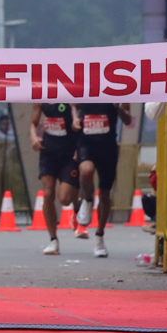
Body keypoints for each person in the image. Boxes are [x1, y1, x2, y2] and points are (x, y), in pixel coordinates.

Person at [73, 101, 131, 257]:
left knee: (105, 194)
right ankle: (87, 200)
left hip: (108, 147)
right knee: (86, 170)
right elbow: (73, 104)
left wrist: (118, 107)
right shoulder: (85, 90)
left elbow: (128, 120)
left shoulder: (119, 93)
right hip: (86, 143)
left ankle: (99, 236)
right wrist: (75, 118)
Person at [31, 99, 79, 255]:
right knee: (47, 193)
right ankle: (53, 239)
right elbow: (33, 123)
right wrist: (34, 137)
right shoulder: (41, 99)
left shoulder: (69, 97)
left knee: (64, 199)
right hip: (48, 152)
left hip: (68, 153)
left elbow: (77, 118)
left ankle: (77, 203)